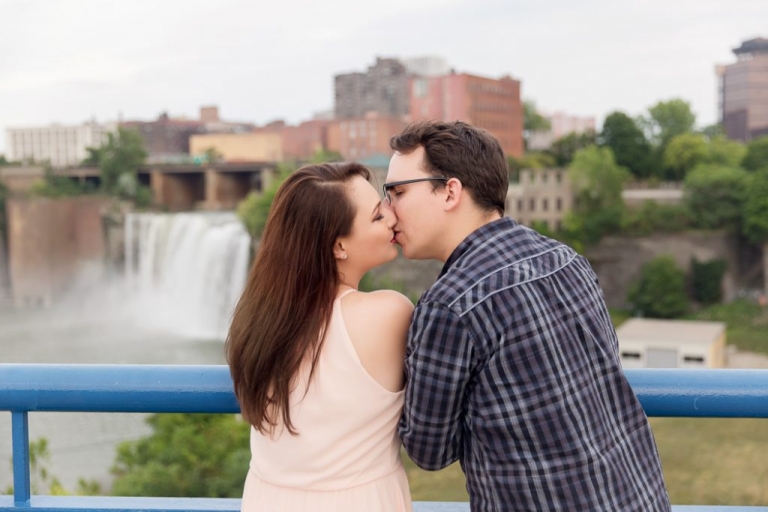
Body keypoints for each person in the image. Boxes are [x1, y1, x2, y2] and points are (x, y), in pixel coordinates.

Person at [385, 120, 671, 511]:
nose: (388, 211)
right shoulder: (565, 258)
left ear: (450, 191)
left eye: (397, 192)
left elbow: (429, 451)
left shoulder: (449, 303)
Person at [226, 162, 414, 512]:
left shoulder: (257, 324)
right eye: (377, 216)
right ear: (339, 245)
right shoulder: (390, 313)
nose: (392, 217)